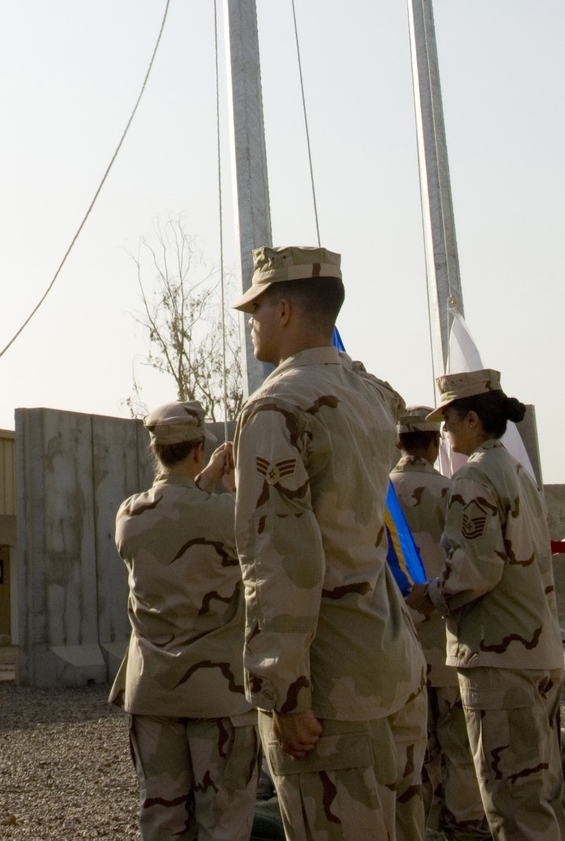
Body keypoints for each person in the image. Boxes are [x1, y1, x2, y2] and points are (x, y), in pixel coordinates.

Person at [232, 246, 427, 841]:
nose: (251, 320)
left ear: (285, 310)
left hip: (329, 692)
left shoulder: (275, 407)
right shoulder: (368, 396)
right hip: (391, 667)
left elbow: (281, 562)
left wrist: (284, 690)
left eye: (258, 308)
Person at [406, 371, 565, 841]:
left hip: (498, 661)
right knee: (541, 799)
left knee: (511, 806)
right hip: (536, 656)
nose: (445, 432)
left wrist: (428, 594)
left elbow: (474, 571)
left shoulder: (474, 477)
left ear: (472, 419)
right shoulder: (516, 471)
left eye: (450, 421)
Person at [111, 399, 260, 841]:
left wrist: (206, 477)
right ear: (198, 449)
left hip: (153, 691)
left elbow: (177, 509)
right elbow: (250, 535)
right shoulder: (226, 515)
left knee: (161, 819)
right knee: (225, 821)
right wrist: (230, 485)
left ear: (157, 451)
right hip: (219, 694)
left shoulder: (129, 516)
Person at [390, 406, 490, 840]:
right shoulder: (451, 491)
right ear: (433, 443)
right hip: (446, 644)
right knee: (460, 750)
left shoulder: (381, 494)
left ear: (399, 444)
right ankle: (465, 829)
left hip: (396, 647)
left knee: (412, 754)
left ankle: (423, 829)